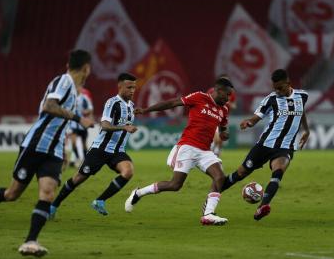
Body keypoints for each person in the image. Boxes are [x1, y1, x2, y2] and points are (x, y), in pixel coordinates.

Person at [0, 49, 93, 256]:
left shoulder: (74, 90)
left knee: (48, 193)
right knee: (11, 193)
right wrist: (78, 119)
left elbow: (59, 119)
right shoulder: (64, 81)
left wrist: (63, 149)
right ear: (86, 68)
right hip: (36, 144)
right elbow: (49, 106)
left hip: (54, 150)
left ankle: (30, 242)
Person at [125, 76, 234, 225]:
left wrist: (223, 134)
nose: (228, 98)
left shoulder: (223, 110)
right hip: (188, 146)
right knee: (175, 185)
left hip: (204, 151)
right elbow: (172, 103)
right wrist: (146, 110)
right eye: (227, 94)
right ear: (218, 90)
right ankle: (138, 193)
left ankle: (208, 214)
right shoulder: (199, 97)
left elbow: (222, 129)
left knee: (220, 177)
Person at [220, 69, 310, 221]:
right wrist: (249, 122)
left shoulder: (302, 96)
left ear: (288, 84)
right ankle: (214, 194)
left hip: (285, 146)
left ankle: (263, 206)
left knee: (278, 171)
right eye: (274, 88)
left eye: (280, 88)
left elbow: (301, 112)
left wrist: (306, 130)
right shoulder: (271, 99)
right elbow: (257, 117)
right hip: (265, 144)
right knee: (240, 173)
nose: (277, 91)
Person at [50, 73, 138, 218]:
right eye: (129, 87)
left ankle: (100, 201)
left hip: (117, 151)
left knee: (128, 171)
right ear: (120, 86)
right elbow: (104, 126)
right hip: (100, 149)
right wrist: (124, 127)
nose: (132, 90)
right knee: (78, 178)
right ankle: (54, 205)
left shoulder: (131, 106)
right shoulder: (112, 103)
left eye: (134, 87)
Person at [207, 84, 237, 157]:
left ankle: (217, 152)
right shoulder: (212, 91)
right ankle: (211, 153)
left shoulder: (231, 93)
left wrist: (228, 103)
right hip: (213, 117)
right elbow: (207, 102)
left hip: (224, 118)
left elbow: (234, 106)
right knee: (216, 138)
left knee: (221, 139)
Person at [69, 86, 94, 167]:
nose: (77, 88)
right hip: (73, 124)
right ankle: (77, 158)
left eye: (79, 87)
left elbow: (90, 109)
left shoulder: (84, 98)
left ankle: (86, 161)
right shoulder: (71, 97)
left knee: (84, 144)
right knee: (73, 143)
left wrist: (86, 112)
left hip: (83, 124)